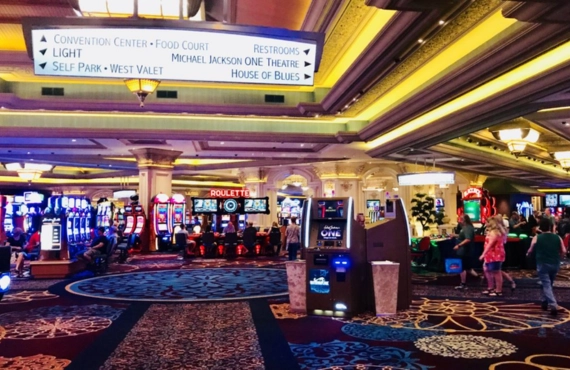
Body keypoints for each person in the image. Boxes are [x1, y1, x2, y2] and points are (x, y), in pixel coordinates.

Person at [526, 218, 567, 315]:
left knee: (546, 284)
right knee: (548, 284)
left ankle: (553, 304)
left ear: (540, 227)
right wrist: (559, 256)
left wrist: (527, 254)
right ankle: (544, 302)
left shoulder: (537, 237)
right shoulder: (557, 237)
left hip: (542, 263)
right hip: (555, 263)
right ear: (550, 226)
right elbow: (564, 251)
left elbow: (530, 250)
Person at [480, 217, 506, 296]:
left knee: (496, 272)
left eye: (487, 222)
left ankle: (498, 291)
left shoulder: (495, 232)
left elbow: (490, 244)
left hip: (495, 255)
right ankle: (490, 288)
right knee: (486, 269)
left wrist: (483, 254)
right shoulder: (492, 231)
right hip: (490, 255)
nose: (485, 223)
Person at [452, 215, 477, 290]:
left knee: (462, 267)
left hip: (465, 250)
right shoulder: (465, 228)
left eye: (460, 219)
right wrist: (455, 235)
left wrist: (458, 246)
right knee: (468, 267)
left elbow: (468, 239)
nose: (459, 221)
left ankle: (463, 284)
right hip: (465, 250)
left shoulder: (467, 228)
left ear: (464, 220)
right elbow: (462, 236)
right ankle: (479, 278)